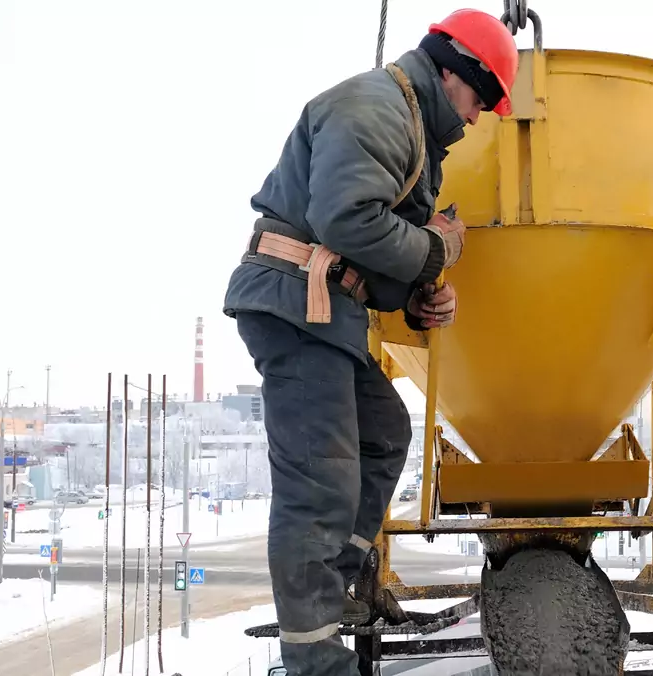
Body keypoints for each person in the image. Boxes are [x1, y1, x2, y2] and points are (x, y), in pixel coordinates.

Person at [221, 10, 518, 676]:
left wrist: (418, 294)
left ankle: (342, 587)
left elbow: (376, 258)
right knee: (318, 487)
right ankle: (315, 660)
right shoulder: (378, 106)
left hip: (328, 308)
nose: (479, 118)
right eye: (481, 99)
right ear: (453, 73)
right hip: (296, 303)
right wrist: (434, 251)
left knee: (384, 431)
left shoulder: (414, 133)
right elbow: (344, 216)